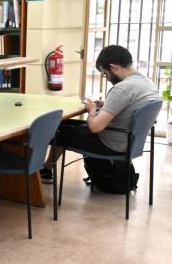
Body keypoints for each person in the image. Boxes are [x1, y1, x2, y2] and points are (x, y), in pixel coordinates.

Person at [40, 45, 161, 183]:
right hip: (130, 142)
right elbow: (131, 106)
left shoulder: (122, 88)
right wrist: (107, 105)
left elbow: (95, 127)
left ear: (114, 67)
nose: (107, 78)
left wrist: (92, 110)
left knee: (58, 129)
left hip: (111, 144)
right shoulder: (147, 83)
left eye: (105, 73)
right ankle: (46, 169)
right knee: (66, 124)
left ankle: (45, 170)